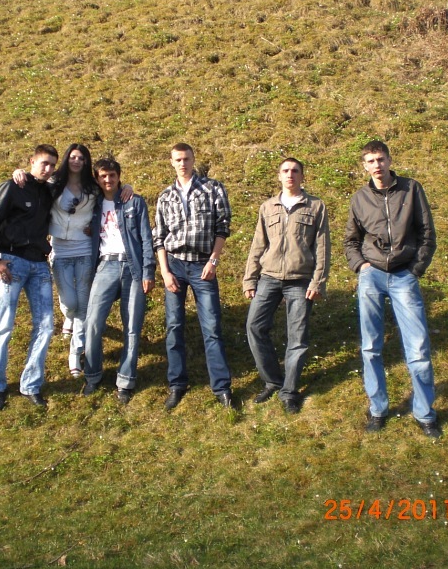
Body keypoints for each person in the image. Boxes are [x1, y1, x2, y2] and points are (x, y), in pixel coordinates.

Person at [343, 140, 441, 437]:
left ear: (389, 160)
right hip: (371, 276)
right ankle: (378, 409)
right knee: (370, 347)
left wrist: (415, 270)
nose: (377, 165)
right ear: (364, 166)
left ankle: (425, 413)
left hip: (403, 276)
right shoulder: (359, 198)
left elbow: (427, 233)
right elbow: (351, 240)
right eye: (371, 161)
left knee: (418, 348)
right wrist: (360, 266)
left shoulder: (411, 189)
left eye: (381, 159)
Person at [12, 144, 132, 380]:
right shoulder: (53, 184)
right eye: (73, 157)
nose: (77, 161)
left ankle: (75, 353)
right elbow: (34, 181)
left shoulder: (92, 187)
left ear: (86, 162)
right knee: (70, 303)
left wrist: (127, 187)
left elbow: (112, 189)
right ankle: (68, 317)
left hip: (85, 249)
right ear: (67, 159)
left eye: (82, 158)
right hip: (60, 249)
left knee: (83, 306)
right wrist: (20, 172)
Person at [243, 158, 330, 414]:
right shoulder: (268, 207)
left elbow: (322, 247)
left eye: (294, 171)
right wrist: (250, 278)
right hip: (269, 277)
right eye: (285, 171)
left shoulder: (316, 206)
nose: (290, 174)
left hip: (300, 280)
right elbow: (258, 244)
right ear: (279, 176)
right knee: (254, 327)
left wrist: (318, 281)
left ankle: (289, 391)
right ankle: (272, 381)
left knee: (297, 337)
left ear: (302, 176)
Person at [0, 144, 58, 410]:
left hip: (39, 264)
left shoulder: (48, 191)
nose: (48, 169)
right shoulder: (13, 187)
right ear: (32, 161)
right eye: (44, 163)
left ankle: (31, 384)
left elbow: (75, 176)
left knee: (45, 325)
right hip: (11, 262)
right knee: (4, 324)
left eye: (52, 165)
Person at [153, 143, 233, 410]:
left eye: (186, 158)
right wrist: (165, 272)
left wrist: (214, 260)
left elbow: (223, 227)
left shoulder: (213, 188)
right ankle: (177, 384)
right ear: (171, 162)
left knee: (211, 327)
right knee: (174, 327)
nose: (182, 163)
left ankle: (221, 387)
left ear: (193, 159)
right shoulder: (165, 196)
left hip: (202, 265)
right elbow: (159, 237)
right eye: (178, 159)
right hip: (174, 265)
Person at [82, 158, 155, 404]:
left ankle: (125, 380)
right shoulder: (92, 204)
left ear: (118, 176)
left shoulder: (134, 202)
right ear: (97, 179)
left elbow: (146, 238)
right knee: (93, 322)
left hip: (133, 268)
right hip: (105, 265)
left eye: (112, 175)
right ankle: (92, 375)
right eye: (103, 176)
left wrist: (148, 272)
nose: (108, 180)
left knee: (132, 326)